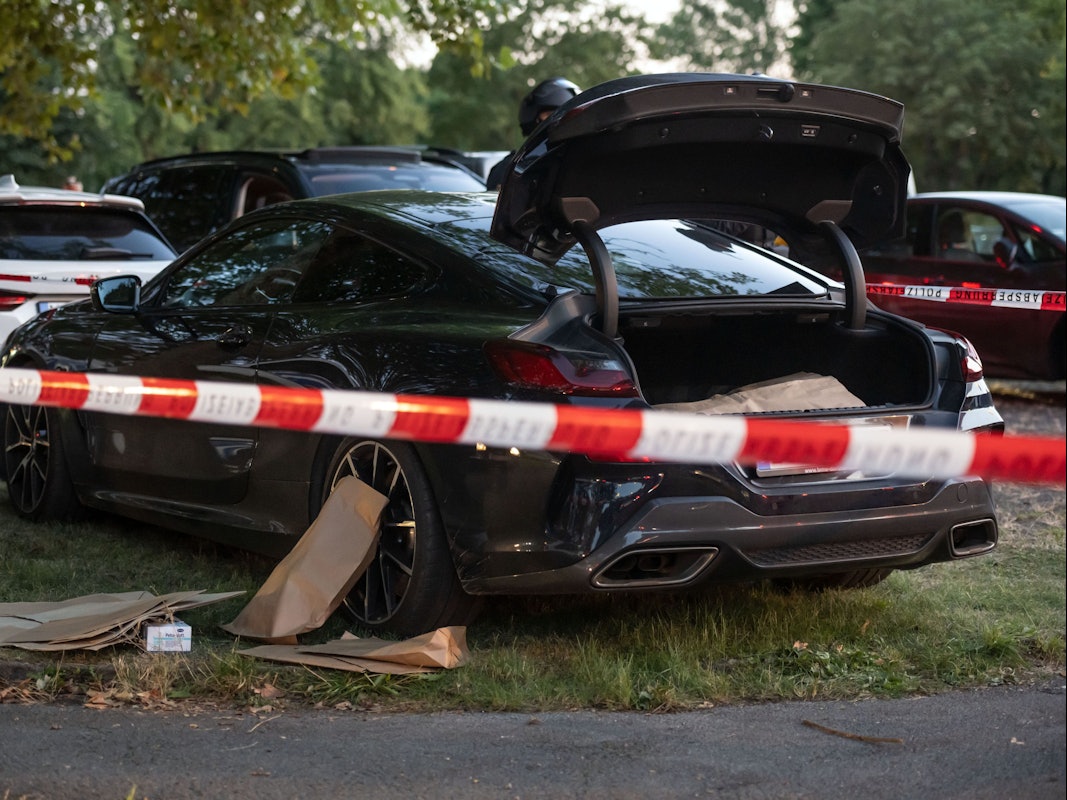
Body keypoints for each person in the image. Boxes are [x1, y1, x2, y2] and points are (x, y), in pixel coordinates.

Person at [486, 77, 580, 191]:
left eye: (567, 115)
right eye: (551, 114)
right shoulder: (510, 169)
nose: (560, 120)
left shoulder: (584, 164)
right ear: (533, 116)